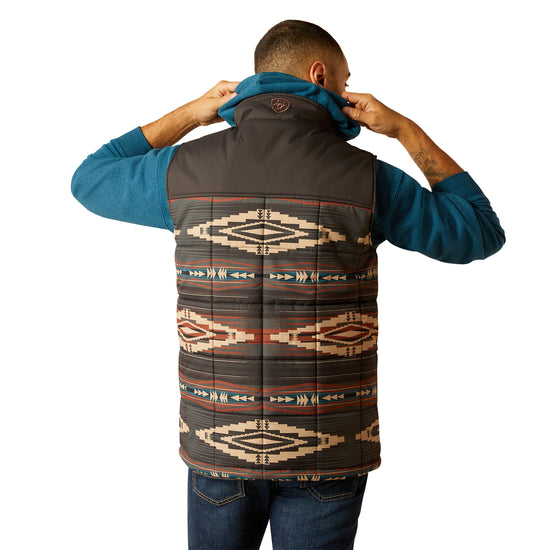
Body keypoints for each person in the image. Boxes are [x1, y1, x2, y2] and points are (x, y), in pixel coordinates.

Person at [71, 19, 505, 550]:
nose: (348, 94)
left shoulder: (179, 171)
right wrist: (403, 130)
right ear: (319, 75)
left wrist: (190, 114)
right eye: (344, 82)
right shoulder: (370, 178)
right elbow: (478, 230)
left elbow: (89, 178)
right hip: (329, 450)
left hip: (218, 444)